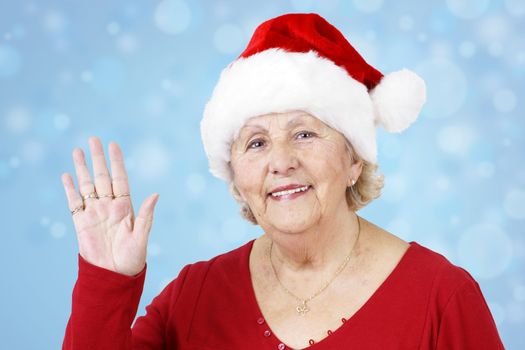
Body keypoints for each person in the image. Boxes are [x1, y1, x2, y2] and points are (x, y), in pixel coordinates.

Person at [61, 13, 505, 349]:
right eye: (255, 143)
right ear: (236, 177)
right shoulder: (193, 296)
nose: (281, 161)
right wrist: (107, 282)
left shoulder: (441, 298)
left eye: (305, 133)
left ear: (354, 161)